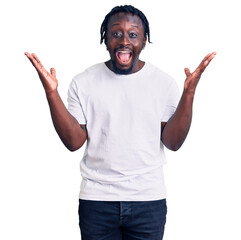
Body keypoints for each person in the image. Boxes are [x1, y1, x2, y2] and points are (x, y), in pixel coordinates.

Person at [25, 5, 216, 240]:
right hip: (97, 201)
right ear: (105, 39)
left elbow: (173, 142)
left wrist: (189, 93)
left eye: (133, 34)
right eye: (116, 33)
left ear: (144, 41)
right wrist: (51, 93)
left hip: (148, 200)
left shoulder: (163, 83)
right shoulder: (83, 82)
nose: (124, 40)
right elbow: (73, 142)